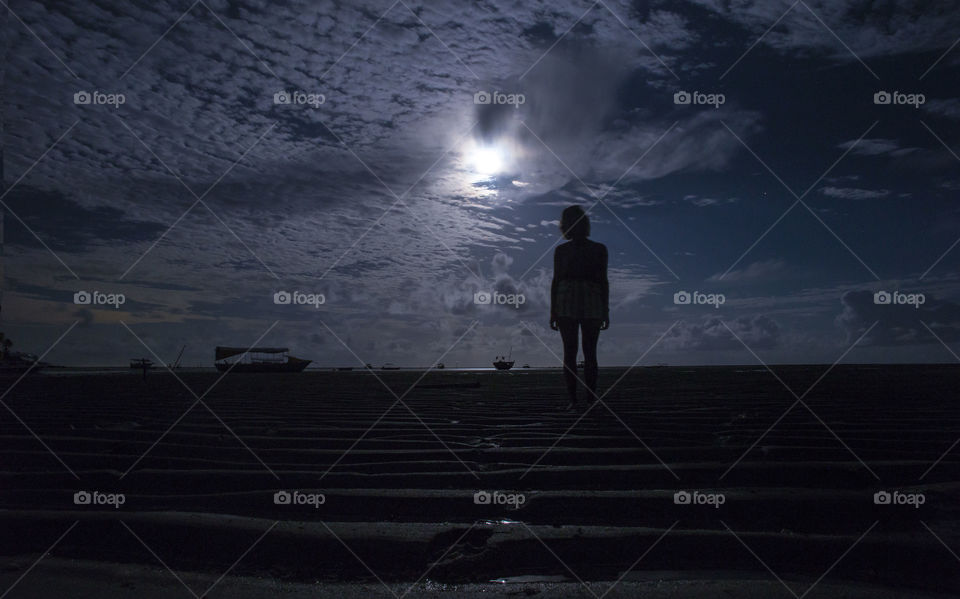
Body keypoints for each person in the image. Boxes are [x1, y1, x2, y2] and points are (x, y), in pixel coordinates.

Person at [550, 205, 609, 411]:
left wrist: (606, 310)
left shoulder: (598, 249)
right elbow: (556, 281)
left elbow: (603, 280)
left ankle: (585, 400)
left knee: (583, 352)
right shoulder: (564, 251)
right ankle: (577, 400)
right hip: (572, 298)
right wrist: (553, 310)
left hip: (586, 298)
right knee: (575, 352)